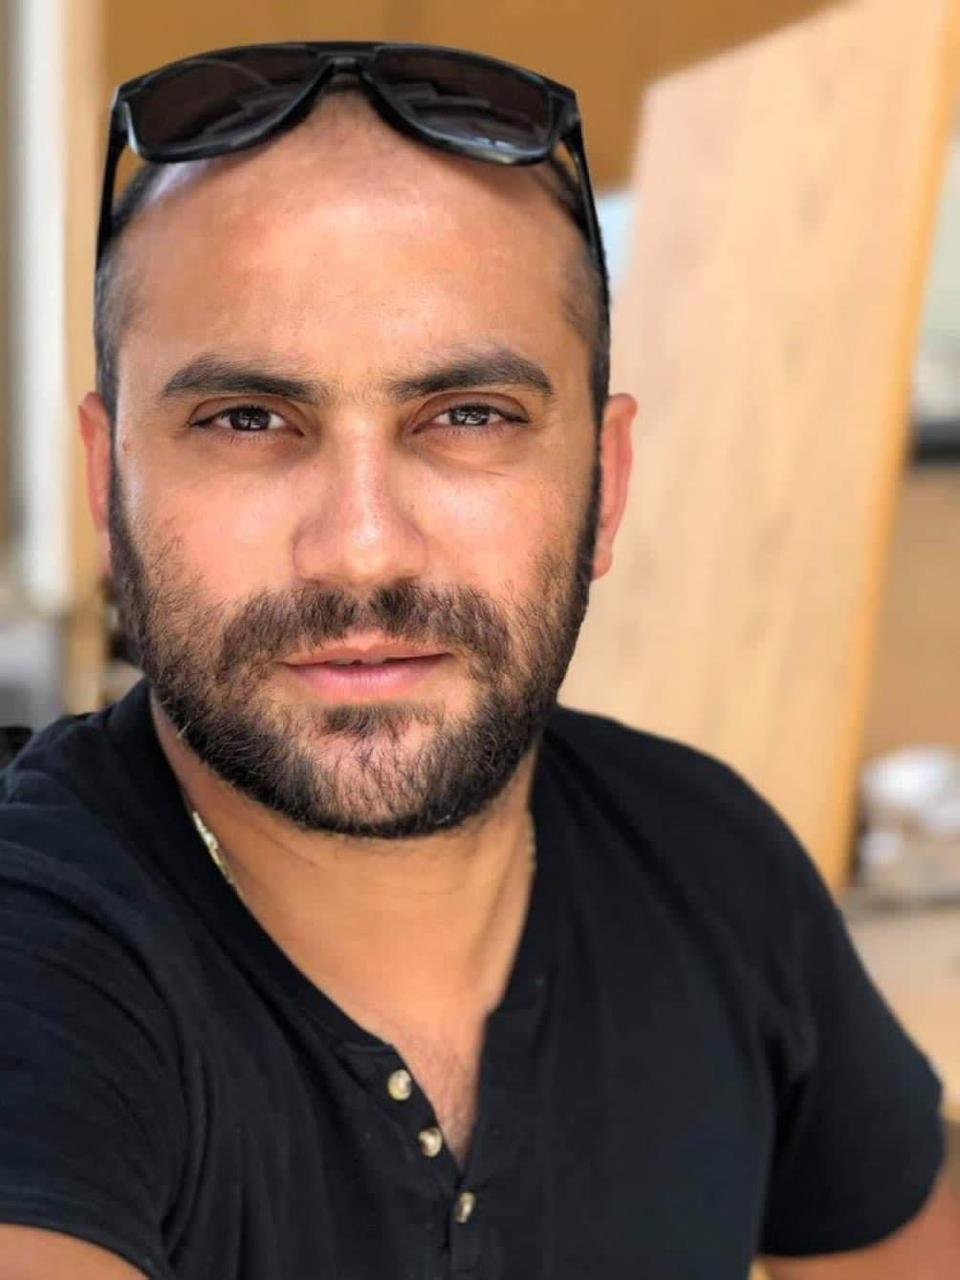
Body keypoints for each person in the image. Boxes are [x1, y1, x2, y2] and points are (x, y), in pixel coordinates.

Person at [0, 40, 957, 1280]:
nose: (361, 548)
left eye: (468, 417)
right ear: (106, 481)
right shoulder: (39, 956)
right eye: (246, 419)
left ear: (606, 481)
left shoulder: (711, 868)